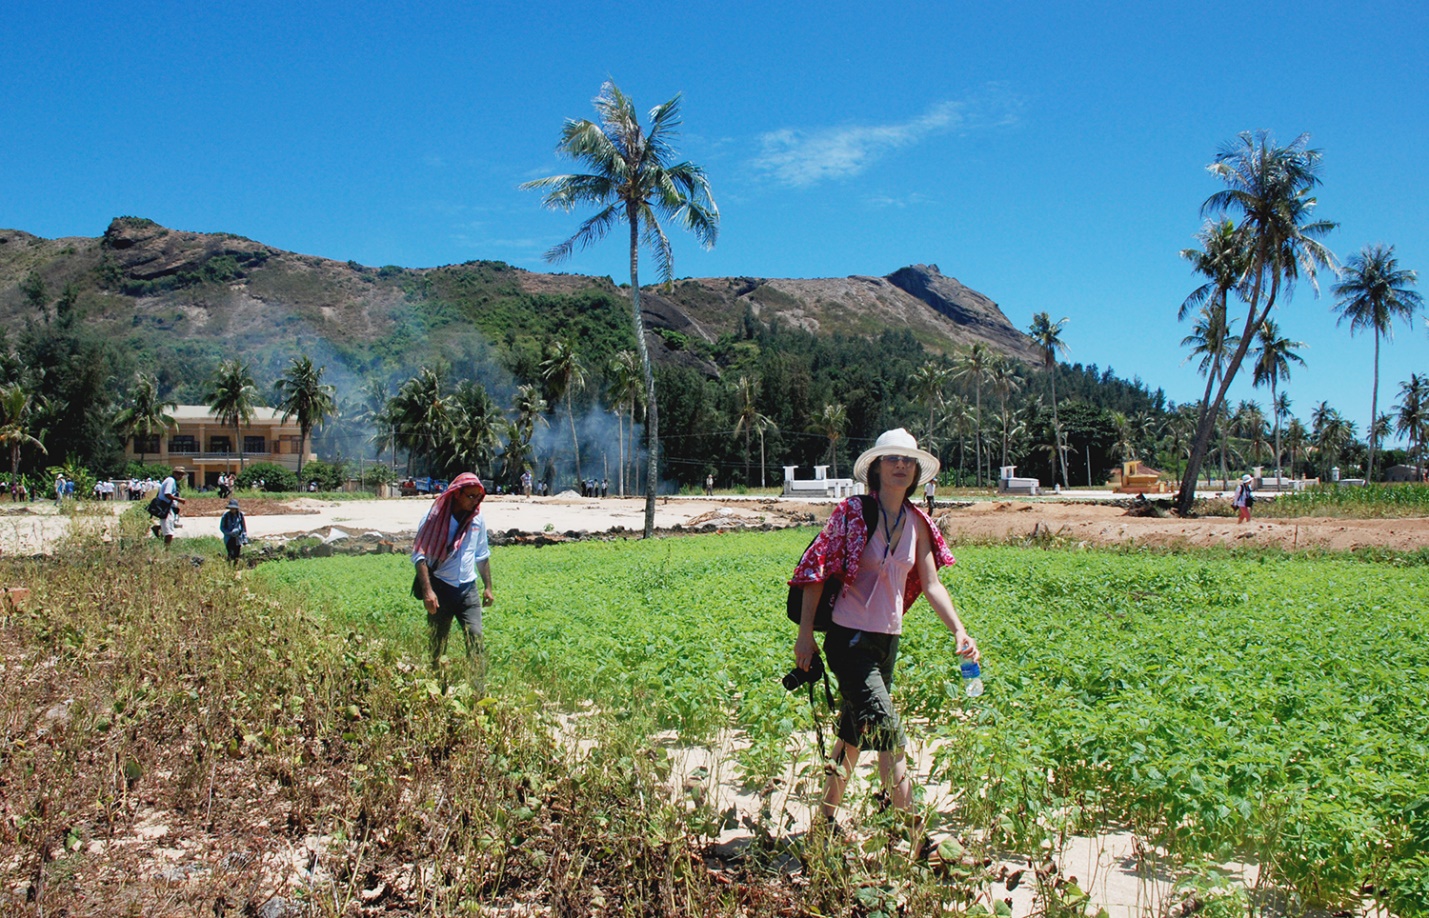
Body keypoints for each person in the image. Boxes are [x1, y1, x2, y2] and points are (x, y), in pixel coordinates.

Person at [790, 428, 979, 838]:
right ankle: (916, 838)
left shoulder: (918, 522)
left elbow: (931, 584)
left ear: (916, 473)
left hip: (886, 641)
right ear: (875, 468)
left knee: (854, 734)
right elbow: (815, 571)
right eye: (892, 459)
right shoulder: (852, 513)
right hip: (849, 638)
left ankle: (822, 825)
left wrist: (960, 631)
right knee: (889, 732)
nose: (900, 466)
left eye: (908, 461)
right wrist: (805, 636)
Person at [411, 473, 495, 688]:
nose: (475, 501)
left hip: (468, 590)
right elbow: (420, 556)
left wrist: (488, 587)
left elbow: (482, 554)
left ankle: (479, 691)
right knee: (438, 642)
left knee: (475, 637)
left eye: (478, 497)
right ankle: (437, 687)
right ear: (457, 494)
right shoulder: (434, 518)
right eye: (471, 496)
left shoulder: (477, 519)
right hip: (440, 588)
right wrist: (428, 592)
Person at [155, 467, 187, 545]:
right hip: (165, 507)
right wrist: (179, 499)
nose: (180, 476)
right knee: (169, 533)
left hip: (168, 507)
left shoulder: (171, 481)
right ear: (174, 473)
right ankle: (166, 551)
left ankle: (157, 528)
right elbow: (167, 494)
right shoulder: (171, 481)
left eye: (182, 475)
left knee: (169, 527)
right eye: (178, 474)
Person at [219, 498, 248, 565]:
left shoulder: (240, 515)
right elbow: (222, 527)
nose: (233, 510)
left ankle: (235, 568)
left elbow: (243, 528)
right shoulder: (225, 516)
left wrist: (245, 539)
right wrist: (229, 533)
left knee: (237, 555)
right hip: (229, 538)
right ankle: (229, 566)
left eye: (234, 508)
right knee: (230, 553)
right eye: (231, 508)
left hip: (238, 538)